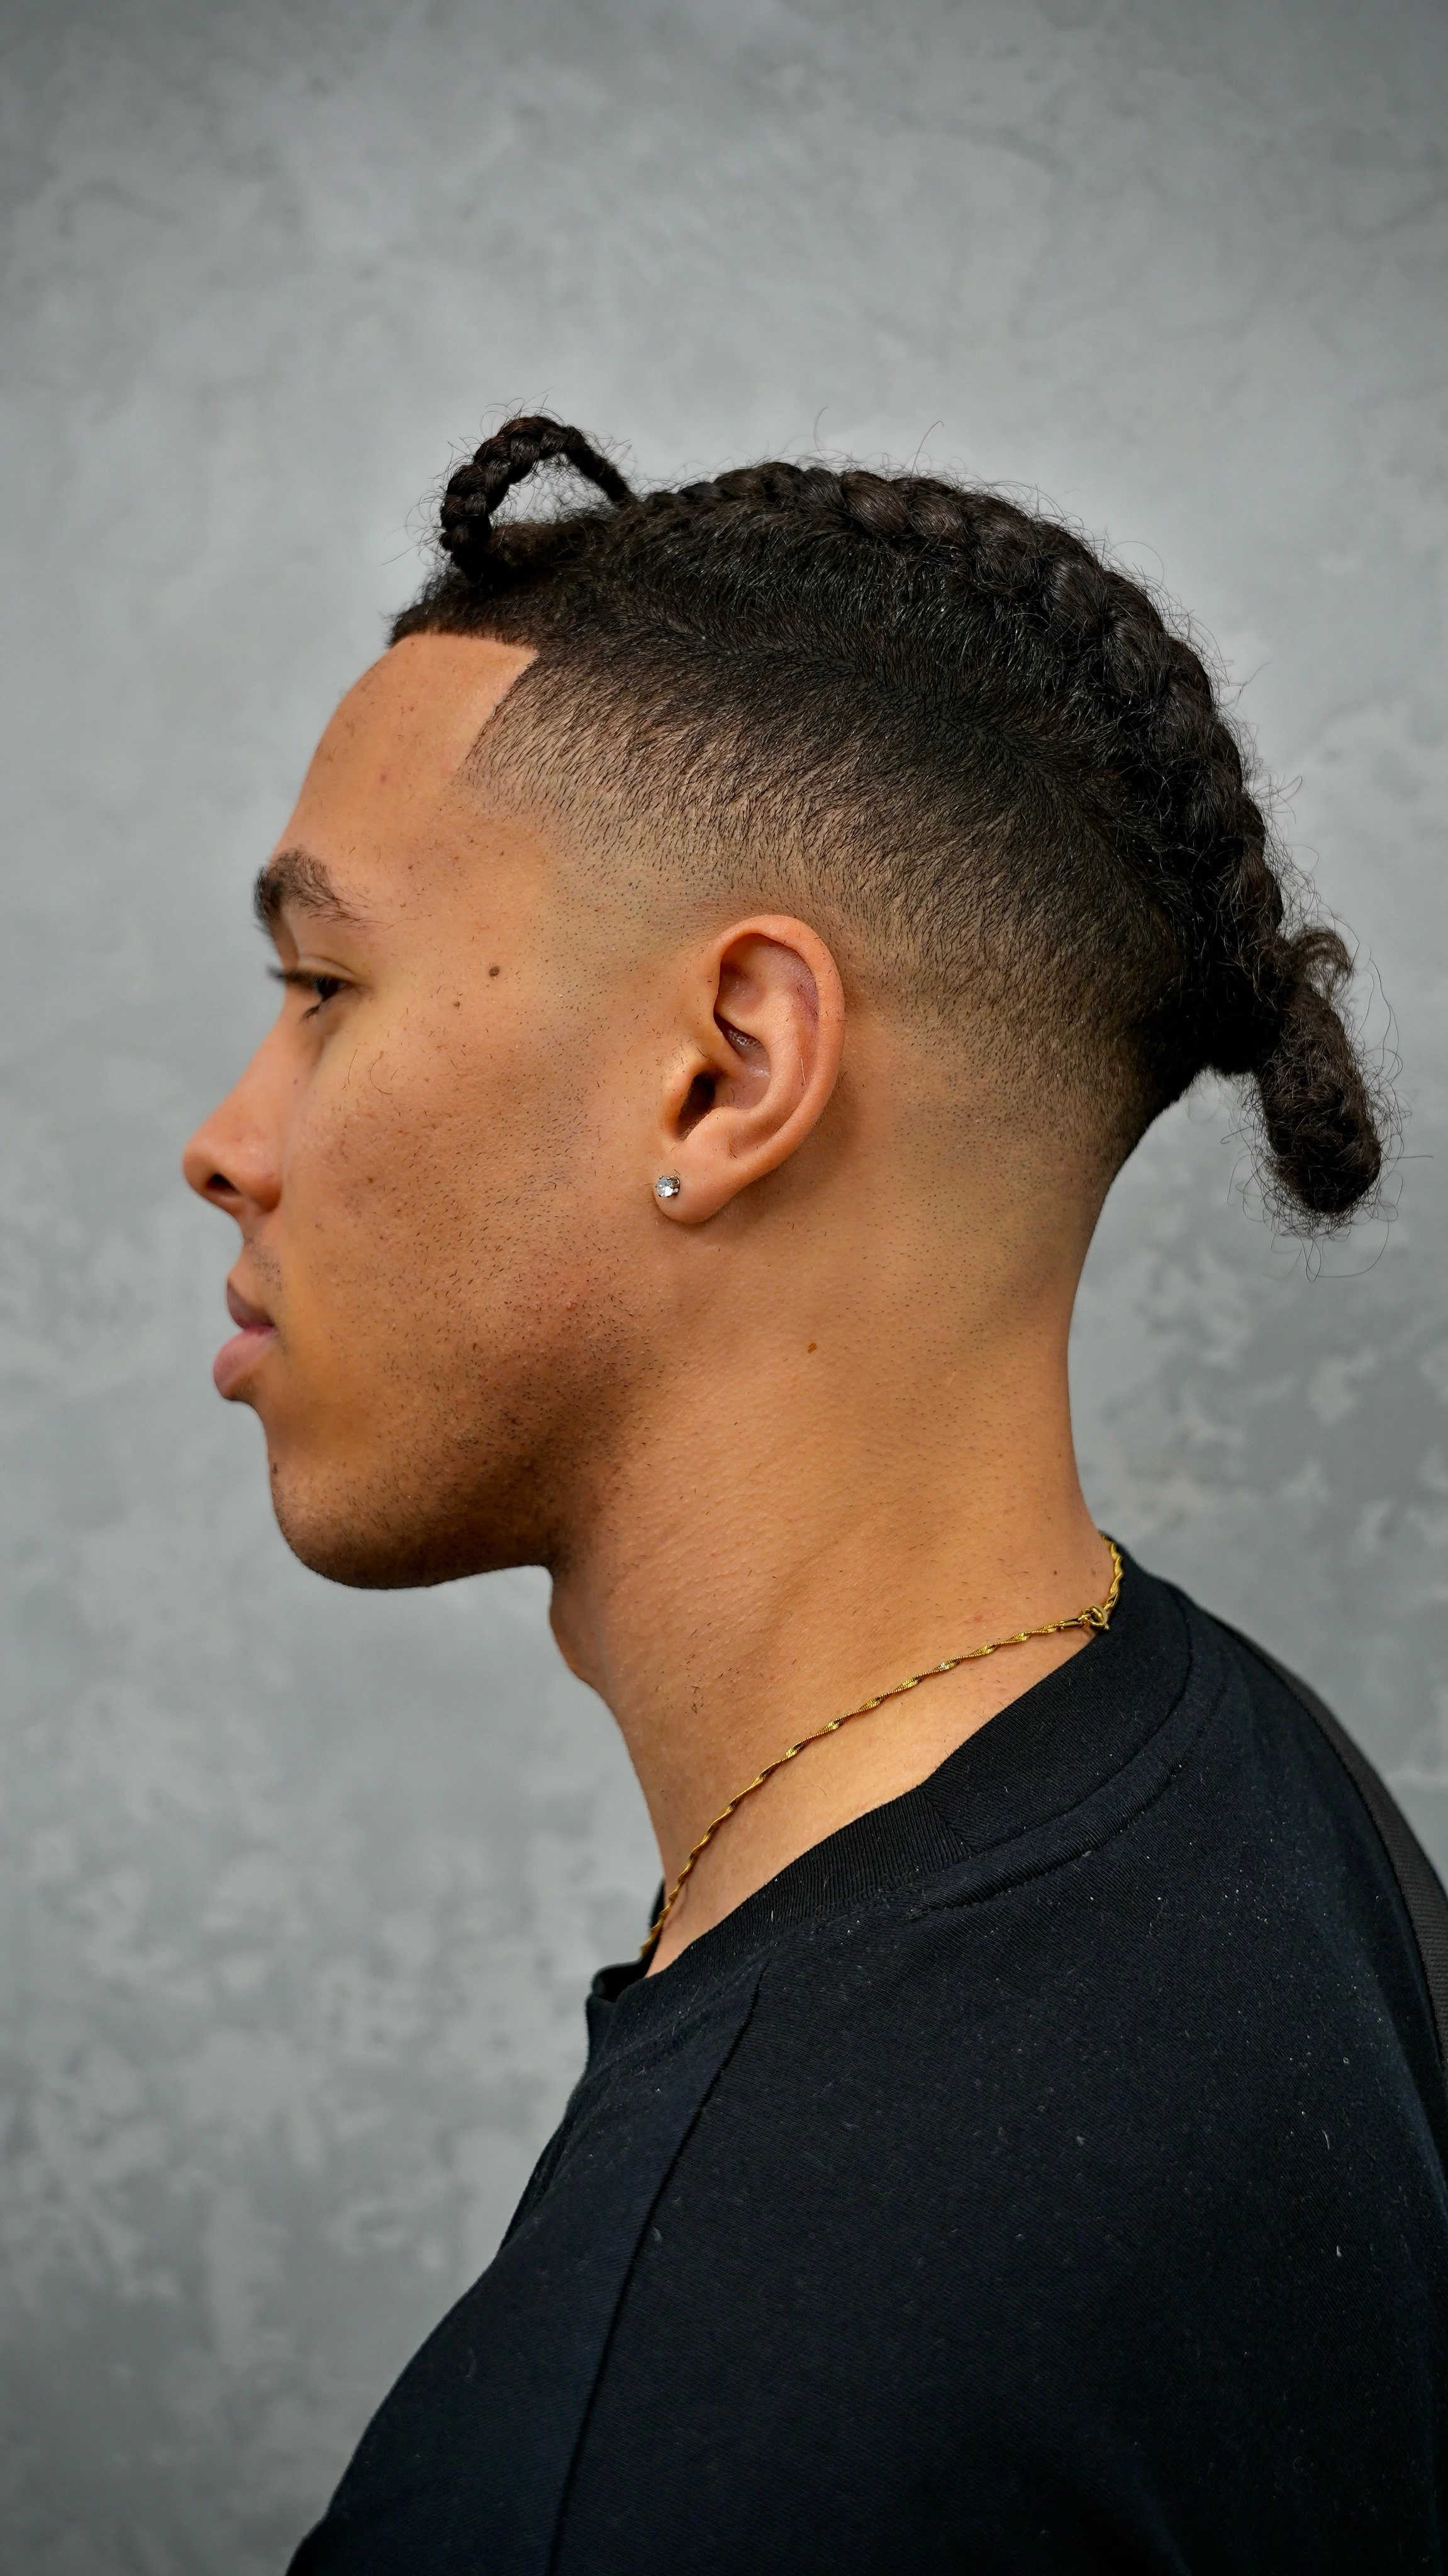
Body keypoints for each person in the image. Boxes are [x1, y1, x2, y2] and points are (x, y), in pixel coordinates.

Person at [183, 416, 1447, 2573]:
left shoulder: (651, 2463)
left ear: (725, 1071)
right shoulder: (1238, 1776)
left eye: (322, 988)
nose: (228, 1139)